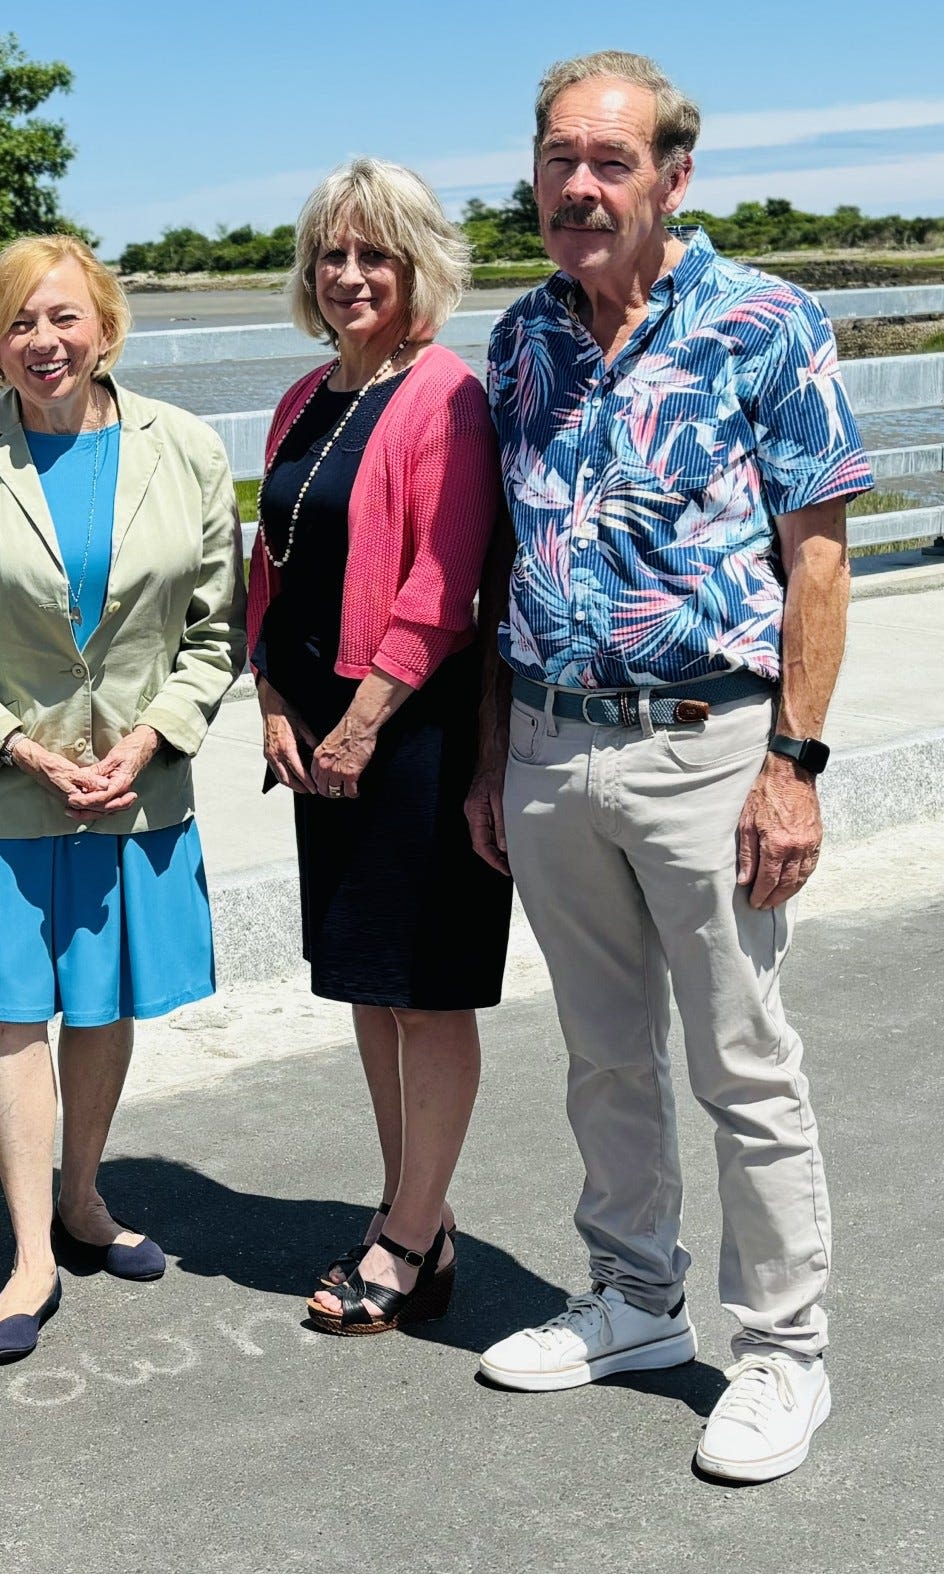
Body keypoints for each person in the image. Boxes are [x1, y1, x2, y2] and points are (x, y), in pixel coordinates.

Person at [465, 52, 870, 1483]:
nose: (580, 185)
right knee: (602, 1054)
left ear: (671, 179)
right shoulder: (519, 340)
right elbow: (501, 558)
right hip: (551, 743)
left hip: (711, 748)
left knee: (747, 1064)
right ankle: (634, 1299)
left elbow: (818, 556)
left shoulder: (763, 323)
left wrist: (795, 763)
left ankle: (781, 1353)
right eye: (559, 158)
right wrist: (491, 750)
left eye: (611, 161)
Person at [0, 234, 246, 1361]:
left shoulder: (183, 448)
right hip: (2, 792)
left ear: (106, 328)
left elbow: (216, 634)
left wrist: (150, 738)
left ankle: (84, 1193)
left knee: (101, 1003)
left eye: (64, 319)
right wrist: (20, 748)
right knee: (13, 1010)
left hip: (133, 789)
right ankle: (31, 1249)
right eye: (19, 324)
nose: (44, 342)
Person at [246, 160, 512, 1337]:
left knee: (425, 991)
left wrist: (360, 724)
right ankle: (413, 1211)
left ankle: (407, 1234)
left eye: (375, 255)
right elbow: (275, 563)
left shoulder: (447, 393)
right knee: (363, 983)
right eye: (332, 255)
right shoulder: (307, 396)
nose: (349, 275)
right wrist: (269, 696)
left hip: (410, 737)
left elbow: (445, 586)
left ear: (419, 268)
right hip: (315, 739)